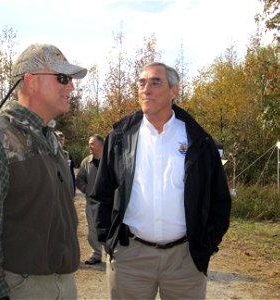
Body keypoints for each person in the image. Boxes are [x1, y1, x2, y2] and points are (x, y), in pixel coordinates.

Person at [90, 62, 231, 299]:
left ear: (174, 91)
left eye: (156, 82)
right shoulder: (119, 139)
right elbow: (100, 195)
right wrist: (108, 240)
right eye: (142, 83)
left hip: (185, 260)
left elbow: (219, 198)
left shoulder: (198, 140)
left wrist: (206, 242)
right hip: (130, 257)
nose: (146, 89)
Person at [0, 43, 87, 300]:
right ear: (31, 81)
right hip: (19, 287)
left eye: (70, 79)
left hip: (62, 283)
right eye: (62, 78)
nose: (71, 86)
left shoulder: (49, 137)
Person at [76, 134, 104, 265]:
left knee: (110, 228)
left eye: (92, 143)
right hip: (92, 202)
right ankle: (96, 254)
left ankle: (112, 255)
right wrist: (88, 190)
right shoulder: (86, 162)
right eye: (89, 143)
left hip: (109, 203)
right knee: (92, 229)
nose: (89, 146)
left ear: (101, 145)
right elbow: (80, 180)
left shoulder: (111, 160)